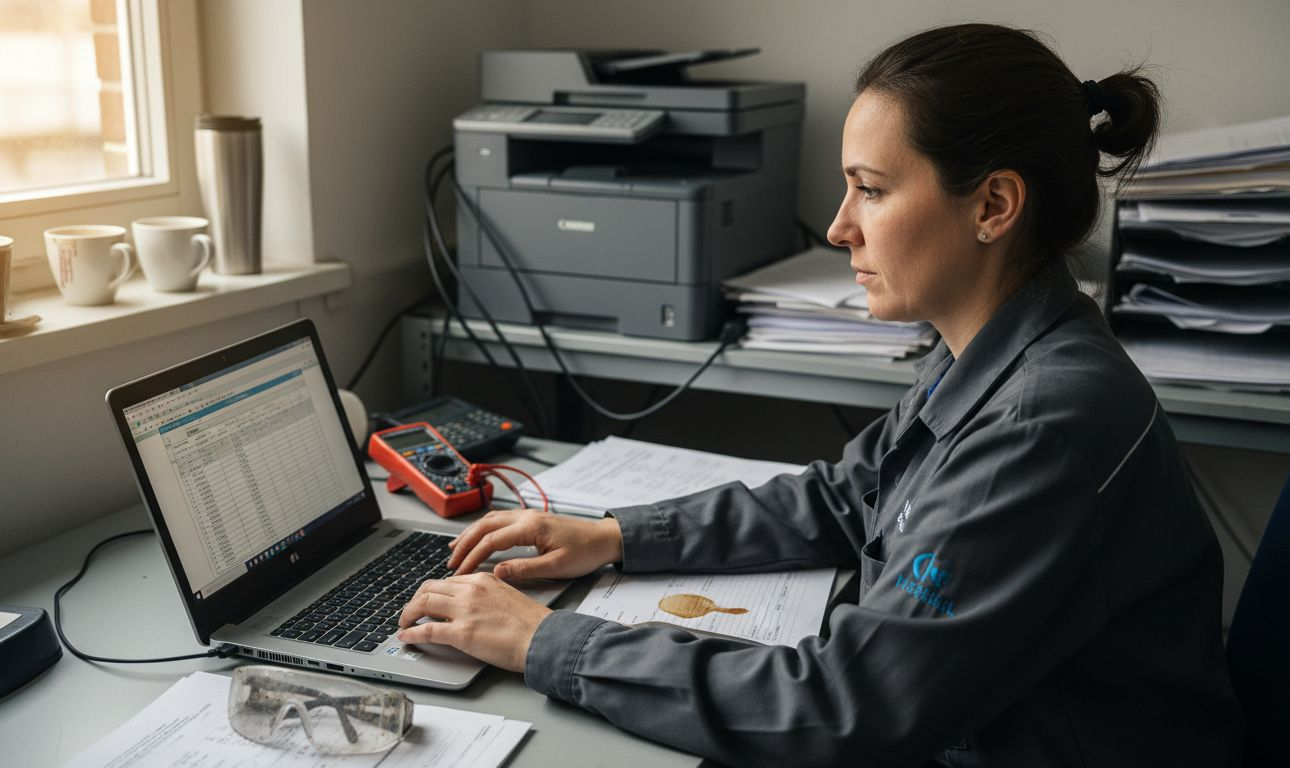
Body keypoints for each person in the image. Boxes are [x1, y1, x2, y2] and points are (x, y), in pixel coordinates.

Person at [396, 23, 1243, 766]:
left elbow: (848, 707)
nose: (840, 226)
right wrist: (615, 537)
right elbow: (846, 497)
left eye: (871, 189)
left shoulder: (1042, 423)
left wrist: (549, 641)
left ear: (993, 205)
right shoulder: (994, 347)